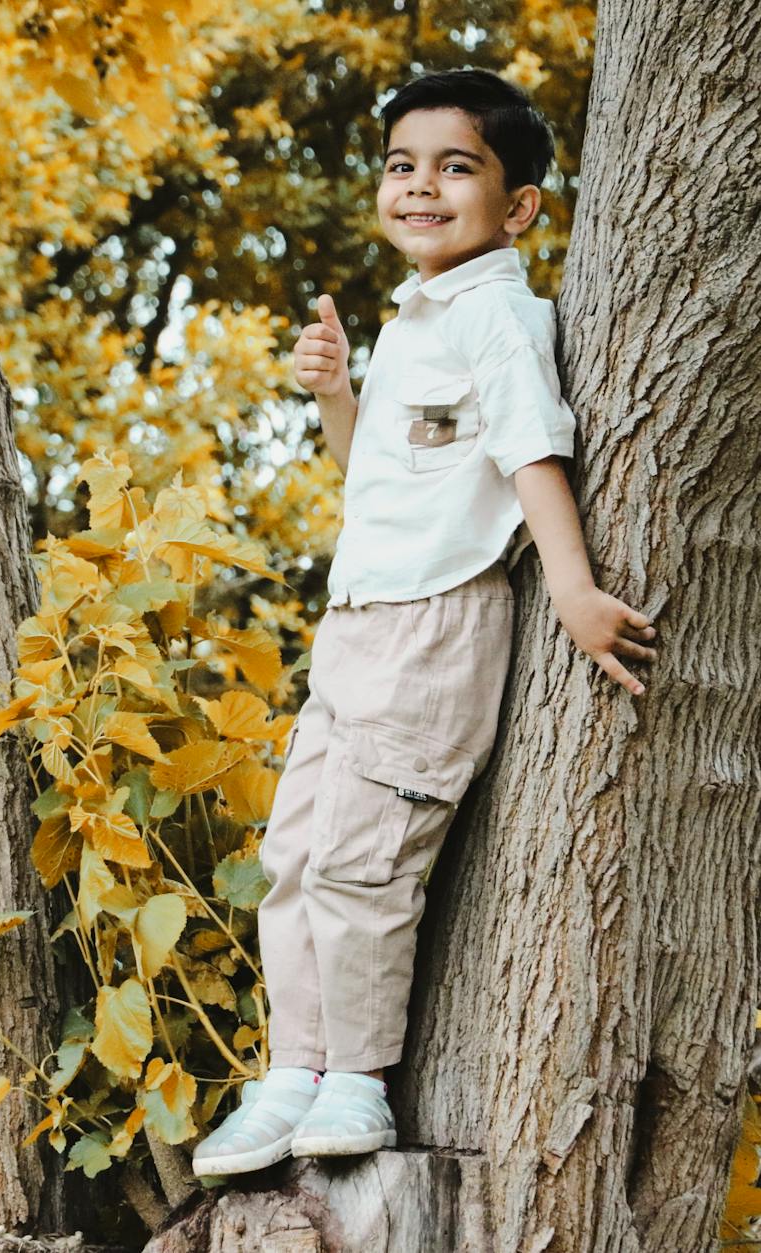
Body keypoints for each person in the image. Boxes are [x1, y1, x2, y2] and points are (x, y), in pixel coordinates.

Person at [191, 67, 659, 1178]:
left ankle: (356, 1077)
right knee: (294, 855)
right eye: (402, 165)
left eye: (456, 167)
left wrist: (571, 588)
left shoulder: (495, 311)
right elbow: (380, 483)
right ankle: (291, 1069)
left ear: (519, 205)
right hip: (356, 624)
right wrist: (334, 399)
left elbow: (528, 447)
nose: (419, 186)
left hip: (434, 626)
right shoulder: (417, 313)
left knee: (362, 863)